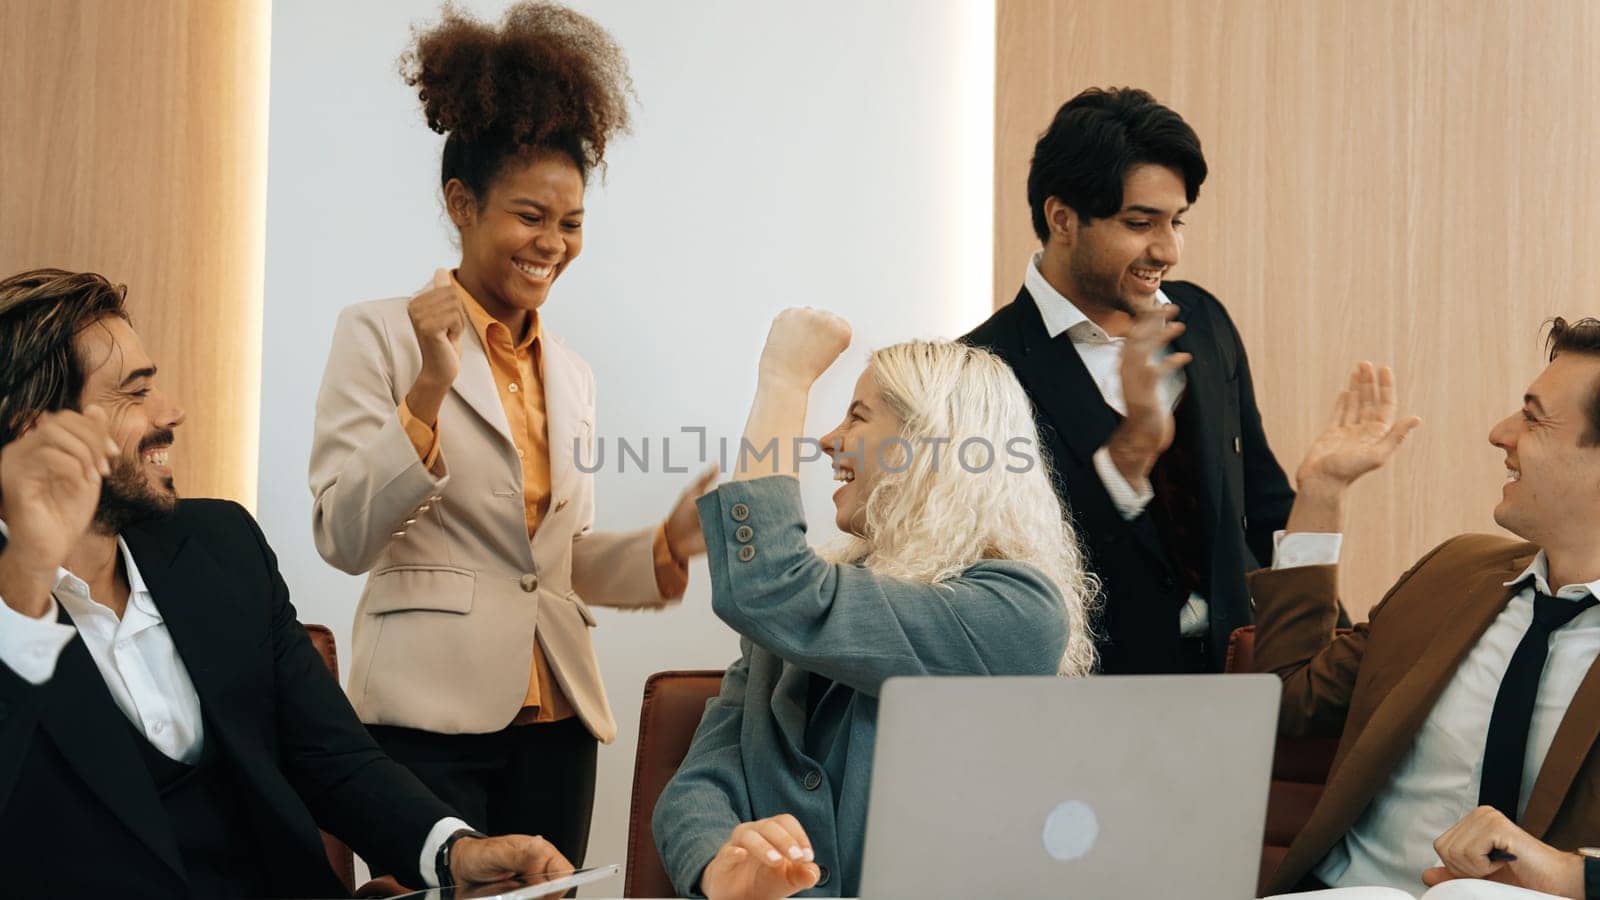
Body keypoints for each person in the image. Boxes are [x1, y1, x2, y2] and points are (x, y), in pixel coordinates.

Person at [0, 268, 575, 898]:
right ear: (38, 433)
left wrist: (455, 852)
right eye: (135, 394)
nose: (171, 412)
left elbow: (333, 758)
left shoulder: (222, 546)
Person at [308, 1, 710, 867]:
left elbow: (553, 564)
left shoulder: (569, 370)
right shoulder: (376, 333)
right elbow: (342, 535)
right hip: (425, 722)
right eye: (531, 216)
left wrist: (666, 546)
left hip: (558, 722)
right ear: (462, 202)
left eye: (571, 224)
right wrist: (426, 391)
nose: (553, 245)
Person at [652, 308, 1098, 899]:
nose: (829, 439)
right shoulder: (808, 611)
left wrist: (785, 380)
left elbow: (770, 585)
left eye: (857, 416)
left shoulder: (1017, 609)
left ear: (932, 443)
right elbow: (700, 783)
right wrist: (721, 866)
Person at [1251, 319, 1600, 899]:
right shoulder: (1453, 574)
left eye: (1534, 417)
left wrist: (1574, 874)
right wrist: (1321, 493)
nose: (1500, 433)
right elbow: (1290, 701)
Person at [964, 86, 1300, 674]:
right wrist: (1127, 457)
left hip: (1238, 682)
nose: (1167, 249)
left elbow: (1261, 504)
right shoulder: (979, 368)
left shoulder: (1203, 320)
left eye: (1177, 222)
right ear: (1062, 218)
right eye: (1140, 222)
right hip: (1096, 703)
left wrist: (1327, 657)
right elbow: (1002, 574)